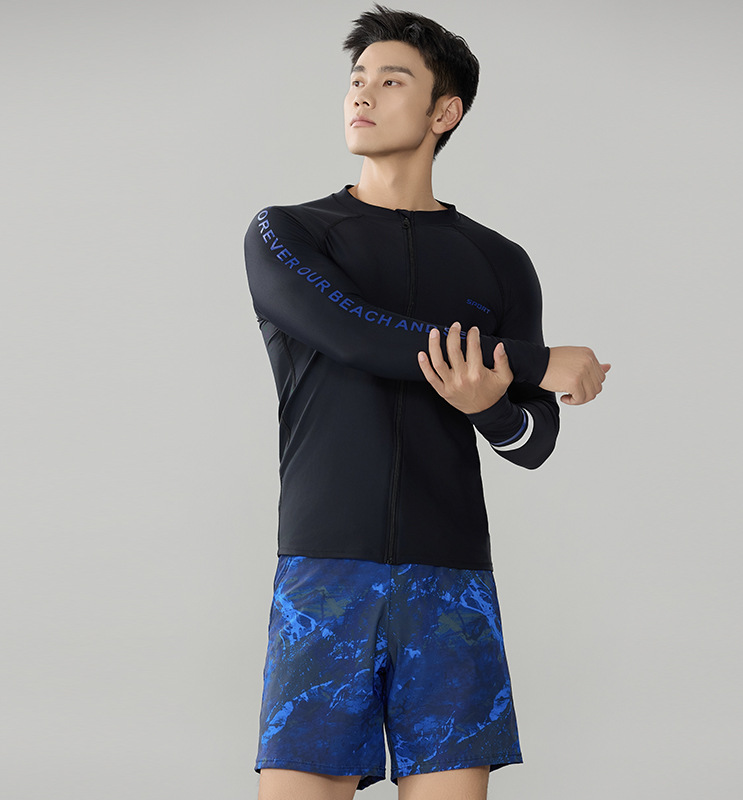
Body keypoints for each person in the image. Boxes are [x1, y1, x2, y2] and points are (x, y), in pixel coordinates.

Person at [243, 6, 610, 799]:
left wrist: (491, 407)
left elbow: (533, 439)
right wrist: (538, 361)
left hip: (452, 580)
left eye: (391, 80)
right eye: (356, 79)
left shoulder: (500, 262)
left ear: (445, 112)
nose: (361, 94)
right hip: (326, 574)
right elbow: (357, 334)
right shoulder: (288, 234)